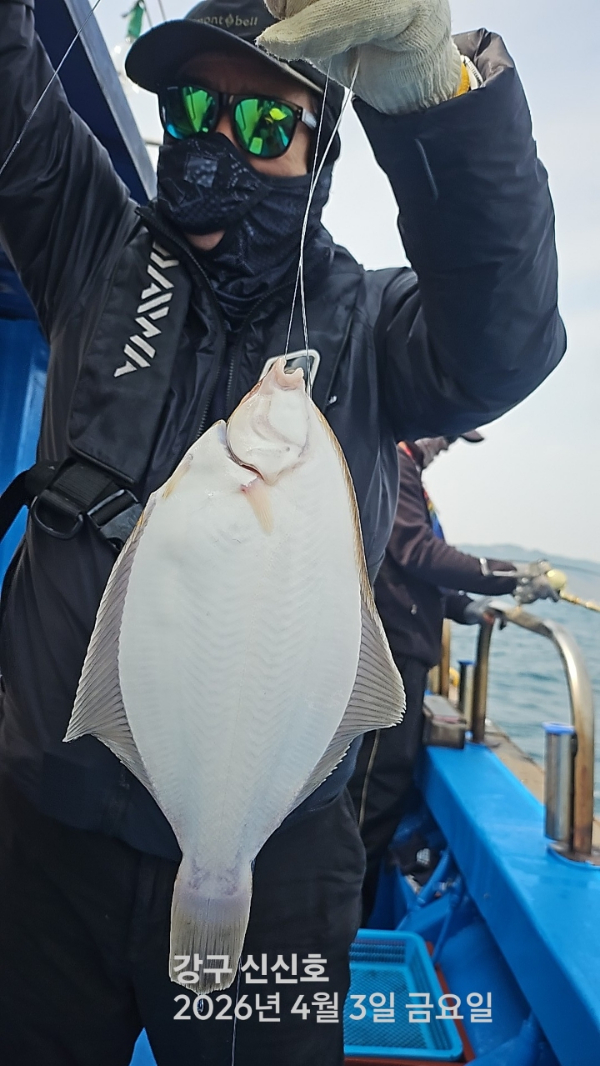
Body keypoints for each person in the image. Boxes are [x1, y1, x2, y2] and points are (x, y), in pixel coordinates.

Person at [0, 0, 565, 1063]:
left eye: (265, 127)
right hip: (43, 834)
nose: (220, 141)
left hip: (281, 863)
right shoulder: (90, 242)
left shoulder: (368, 326)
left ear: (321, 151)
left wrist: (441, 106)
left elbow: (507, 338)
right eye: (197, 110)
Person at [348, 434, 559, 922]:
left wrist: (467, 607)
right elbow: (417, 552)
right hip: (391, 661)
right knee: (368, 805)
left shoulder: (406, 476)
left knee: (376, 803)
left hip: (402, 659)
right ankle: (340, 935)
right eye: (444, 431)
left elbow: (417, 572)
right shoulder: (394, 467)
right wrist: (514, 575)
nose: (445, 443)